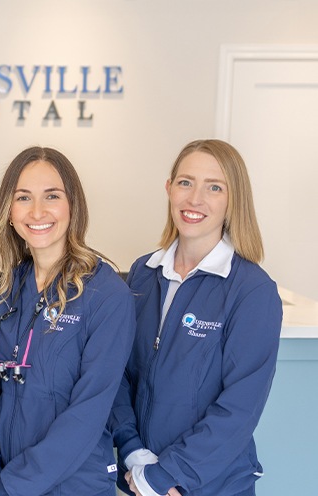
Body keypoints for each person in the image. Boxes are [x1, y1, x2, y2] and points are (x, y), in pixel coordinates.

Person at [110, 139, 282, 496]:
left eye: (214, 187)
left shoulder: (251, 290)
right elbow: (118, 375)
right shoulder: (143, 273)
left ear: (233, 200)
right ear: (169, 188)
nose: (195, 199)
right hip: (138, 479)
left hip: (208, 485)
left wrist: (166, 477)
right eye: (186, 182)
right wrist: (133, 453)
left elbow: (240, 408)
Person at [0, 147, 136, 496]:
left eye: (52, 196)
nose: (37, 211)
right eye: (23, 198)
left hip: (74, 484)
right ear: (9, 211)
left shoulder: (106, 295)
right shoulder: (10, 288)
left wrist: (12, 486)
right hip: (5, 479)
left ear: (73, 206)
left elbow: (88, 414)